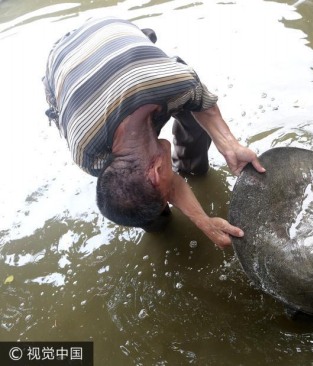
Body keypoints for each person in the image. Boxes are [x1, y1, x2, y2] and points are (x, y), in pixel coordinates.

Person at [43, 17, 265, 248]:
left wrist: (229, 145)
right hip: (63, 63)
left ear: (157, 170)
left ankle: (192, 167)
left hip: (111, 31)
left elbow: (205, 107)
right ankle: (158, 224)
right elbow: (151, 182)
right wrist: (204, 222)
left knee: (193, 118)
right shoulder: (87, 153)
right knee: (137, 204)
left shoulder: (177, 83)